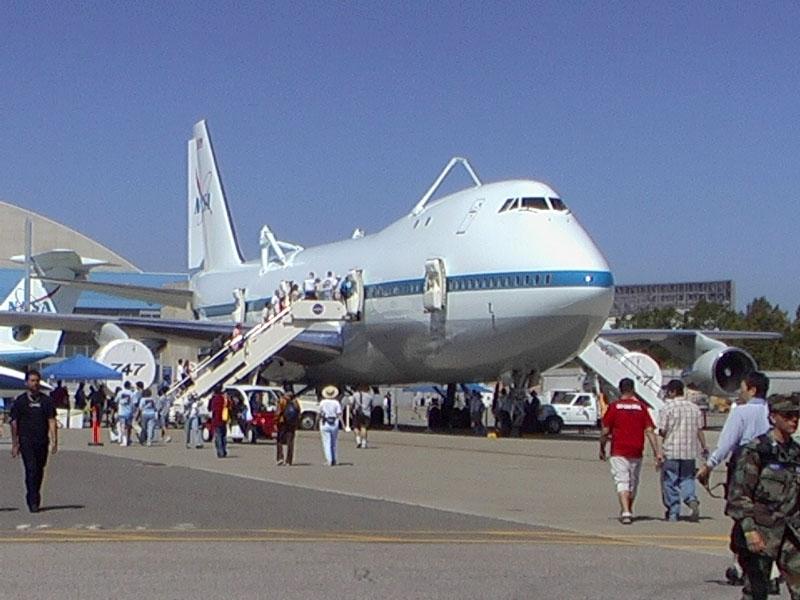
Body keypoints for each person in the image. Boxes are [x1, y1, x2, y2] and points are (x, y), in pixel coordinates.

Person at [696, 372, 772, 587]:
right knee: (768, 518)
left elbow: (727, 443)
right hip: (770, 471)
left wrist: (708, 466)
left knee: (741, 515)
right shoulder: (772, 412)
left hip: (744, 468)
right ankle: (772, 573)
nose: (740, 391)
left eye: (743, 388)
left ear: (752, 390)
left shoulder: (741, 412)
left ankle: (739, 567)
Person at [726, 394, 800, 600]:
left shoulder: (796, 453)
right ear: (773, 417)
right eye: (788, 415)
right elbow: (739, 495)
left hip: (792, 534)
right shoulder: (756, 451)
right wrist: (750, 531)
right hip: (762, 532)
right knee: (756, 592)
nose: (794, 420)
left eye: (797, 415)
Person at [599, 378, 662, 525]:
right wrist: (656, 452)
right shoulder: (641, 407)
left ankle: (626, 510)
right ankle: (628, 509)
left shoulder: (614, 407)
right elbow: (649, 431)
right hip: (636, 449)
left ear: (620, 390)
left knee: (622, 481)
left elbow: (605, 430)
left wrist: (602, 447)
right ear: (633, 389)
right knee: (633, 482)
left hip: (618, 450)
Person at [658, 379, 708, 522]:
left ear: (672, 392)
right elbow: (699, 430)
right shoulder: (694, 408)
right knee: (687, 478)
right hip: (689, 451)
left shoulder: (667, 408)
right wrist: (704, 446)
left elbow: (662, 431)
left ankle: (673, 510)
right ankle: (691, 499)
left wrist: (659, 450)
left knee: (670, 481)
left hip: (671, 450)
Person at [9, 370, 57, 513]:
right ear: (26, 383)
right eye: (32, 381)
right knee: (31, 469)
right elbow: (14, 422)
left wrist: (54, 440)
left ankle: (35, 493)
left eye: (37, 381)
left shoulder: (46, 401)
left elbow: (51, 420)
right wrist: (15, 443)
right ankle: (32, 500)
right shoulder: (20, 401)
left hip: (42, 441)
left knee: (39, 470)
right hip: (26, 441)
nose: (35, 383)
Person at [318, 386, 342, 466]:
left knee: (326, 442)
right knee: (334, 443)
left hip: (325, 422)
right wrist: (344, 424)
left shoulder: (322, 402)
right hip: (334, 422)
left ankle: (329, 460)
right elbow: (339, 414)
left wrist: (317, 422)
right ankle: (334, 459)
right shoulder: (336, 403)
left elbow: (319, 413)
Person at [276, 392, 301, 466]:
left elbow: (278, 412)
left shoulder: (282, 401)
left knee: (279, 441)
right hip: (292, 424)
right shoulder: (295, 403)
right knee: (290, 442)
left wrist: (276, 421)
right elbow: (299, 413)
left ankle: (280, 458)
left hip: (282, 423)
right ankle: (289, 461)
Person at [209, 385, 229, 458]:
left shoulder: (214, 399)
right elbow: (229, 405)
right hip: (224, 419)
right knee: (223, 436)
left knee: (218, 436)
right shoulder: (224, 398)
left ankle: (220, 452)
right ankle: (224, 450)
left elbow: (209, 408)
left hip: (216, 420)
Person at [115, 381, 135, 446]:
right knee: (129, 426)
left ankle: (124, 440)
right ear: (129, 386)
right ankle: (128, 439)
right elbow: (134, 403)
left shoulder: (120, 393)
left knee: (122, 426)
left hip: (121, 412)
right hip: (129, 412)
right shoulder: (132, 393)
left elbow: (116, 400)